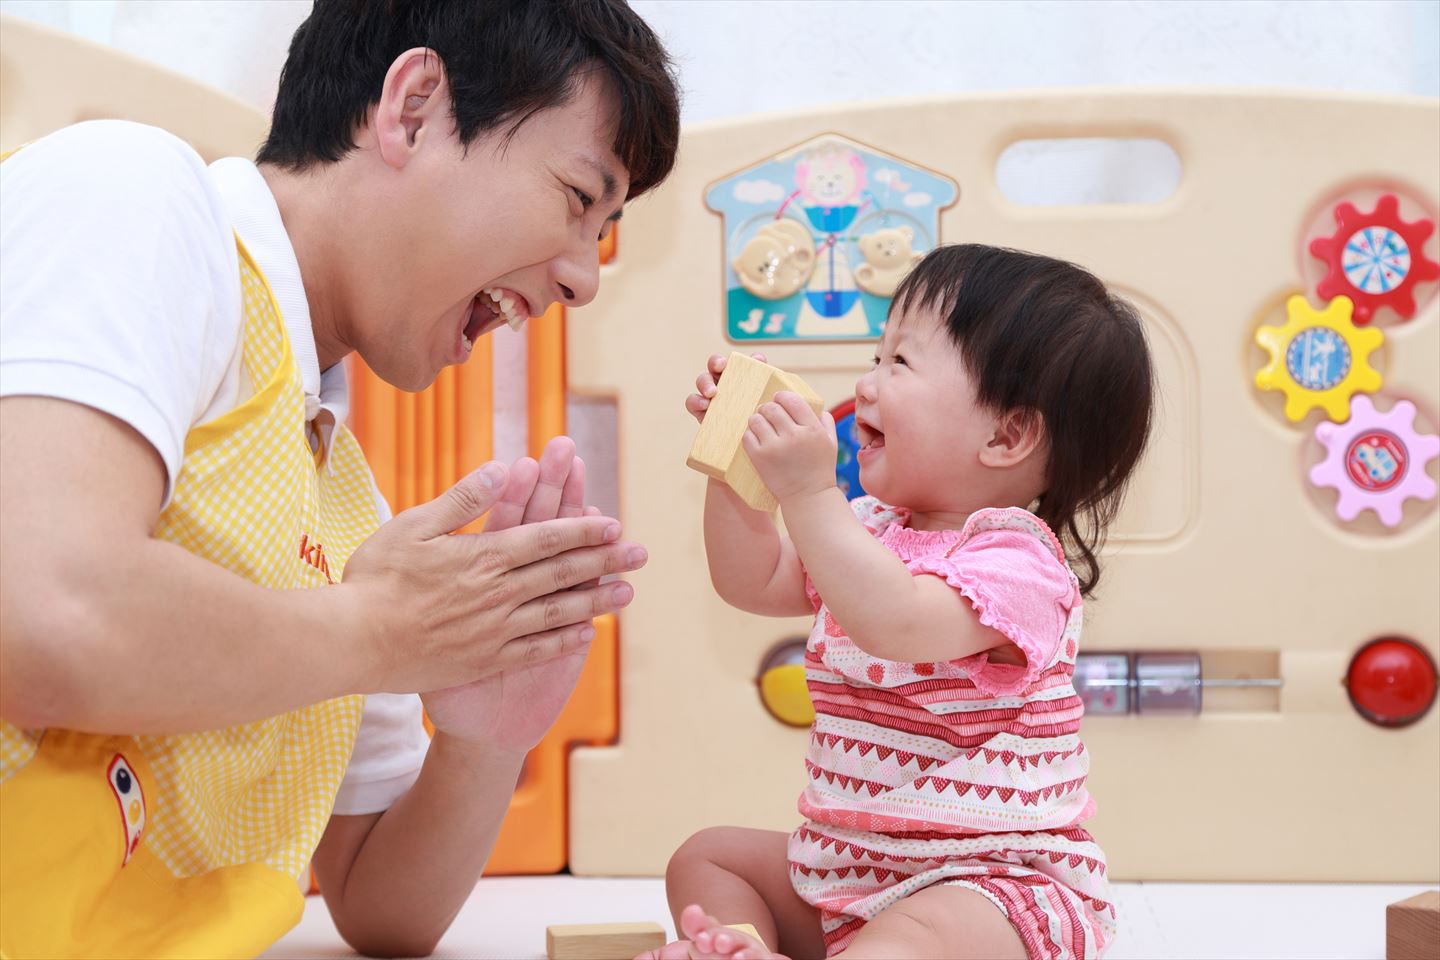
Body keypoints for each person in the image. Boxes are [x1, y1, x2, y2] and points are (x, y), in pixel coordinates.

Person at [0, 1, 679, 956]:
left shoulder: (344, 499)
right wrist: (384, 631)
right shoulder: (134, 190)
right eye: (579, 198)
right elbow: (41, 613)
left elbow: (381, 906)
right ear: (413, 107)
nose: (584, 280)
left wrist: (486, 737)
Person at [657, 244, 1155, 960]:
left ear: (1006, 435)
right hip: (851, 870)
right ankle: (740, 950)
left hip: (994, 888)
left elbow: (895, 620)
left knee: (921, 933)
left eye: (901, 364)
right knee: (708, 861)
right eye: (875, 354)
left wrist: (808, 492)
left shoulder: (1020, 566)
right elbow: (752, 579)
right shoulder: (865, 529)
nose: (865, 384)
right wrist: (734, 466)